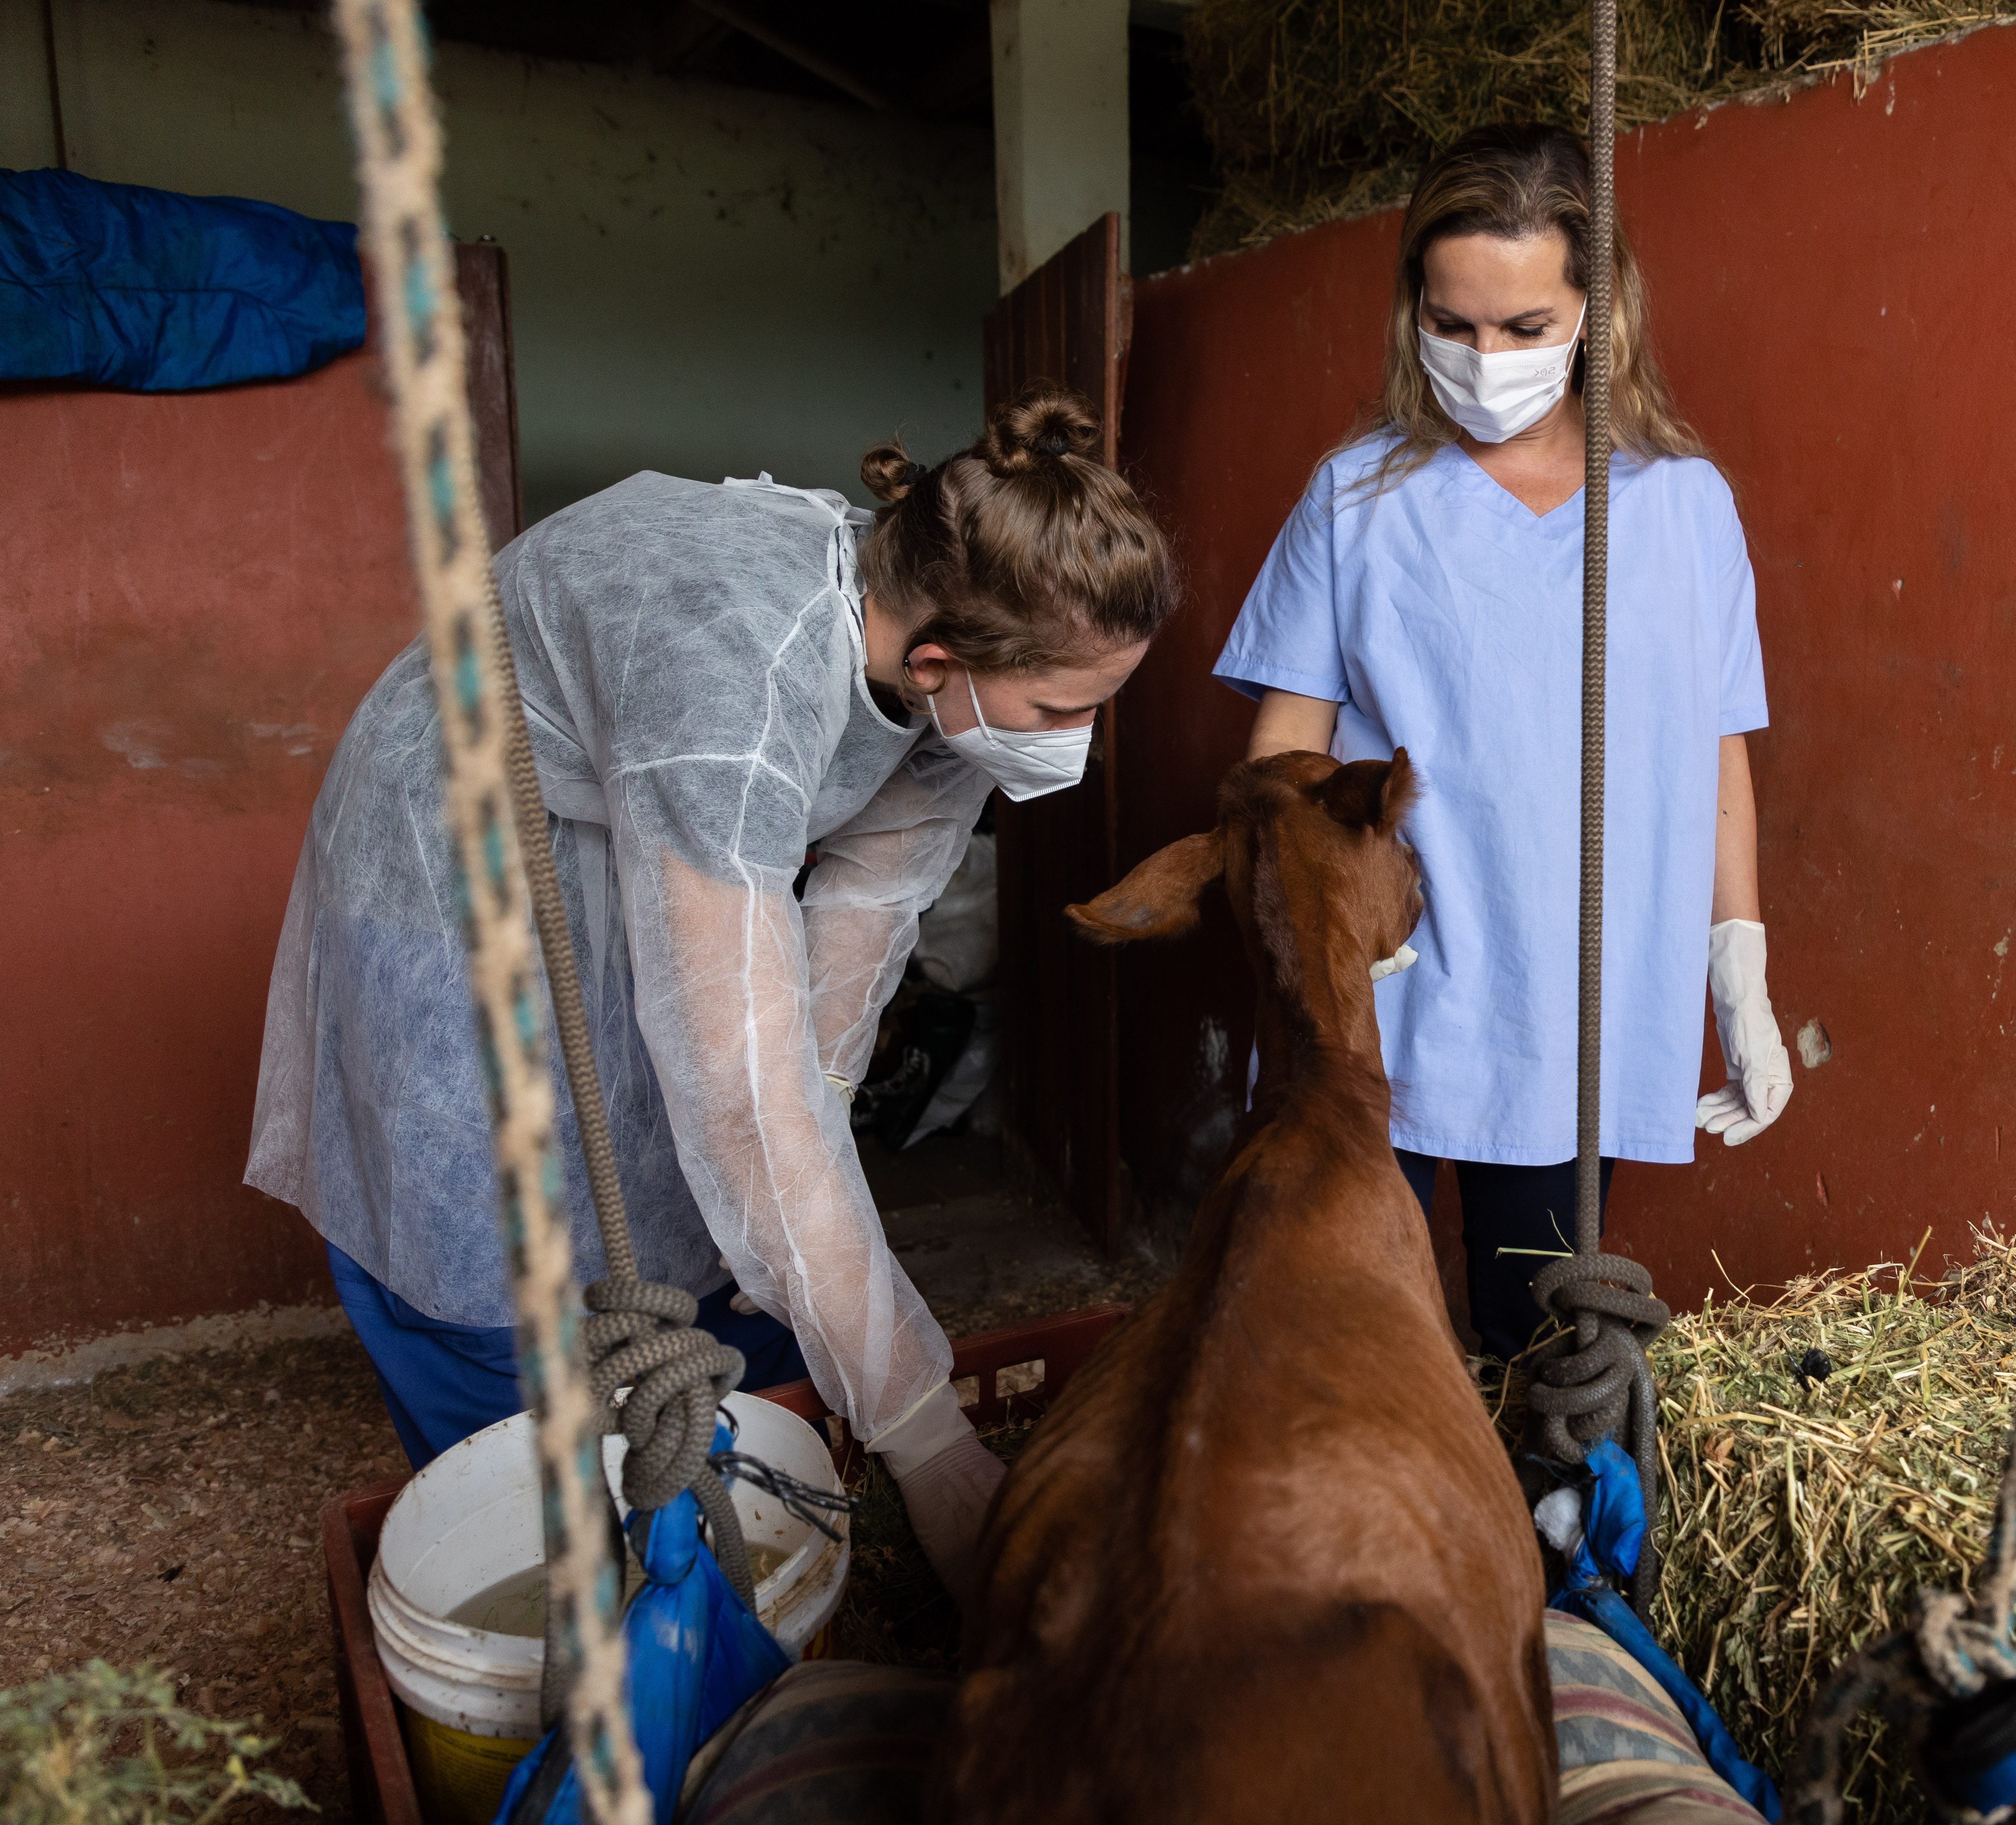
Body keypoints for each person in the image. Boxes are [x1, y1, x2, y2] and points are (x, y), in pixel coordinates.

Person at [247, 390, 1176, 1600]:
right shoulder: (736, 678)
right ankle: (555, 1559)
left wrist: (799, 1178)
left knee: (717, 1195)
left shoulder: (951, 664)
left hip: (636, 832)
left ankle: (725, 1486)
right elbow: (743, 1096)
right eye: (1062, 711)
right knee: (497, 1251)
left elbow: (863, 921)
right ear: (937, 663)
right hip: (456, 873)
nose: (1077, 740)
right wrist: (933, 1444)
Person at [1214, 124, 1793, 1361]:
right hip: (1384, 987)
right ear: (1412, 310)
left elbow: (1715, 749)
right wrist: (1302, 958)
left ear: (1598, 309)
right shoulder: (1356, 498)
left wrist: (1737, 966)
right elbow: (1284, 756)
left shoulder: (1683, 508)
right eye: (1453, 324)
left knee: (1538, 1352)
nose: (1485, 362)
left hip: (1569, 997)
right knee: (1354, 1348)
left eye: (1525, 327)